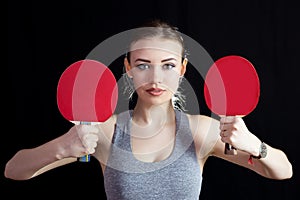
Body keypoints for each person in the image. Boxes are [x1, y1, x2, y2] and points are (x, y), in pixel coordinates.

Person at [5, 19, 293, 199]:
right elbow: (14, 170)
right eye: (143, 65)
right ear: (128, 68)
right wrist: (64, 147)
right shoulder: (106, 130)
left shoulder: (201, 130)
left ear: (182, 69)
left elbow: (283, 172)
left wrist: (254, 145)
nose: (156, 79)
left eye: (168, 66)